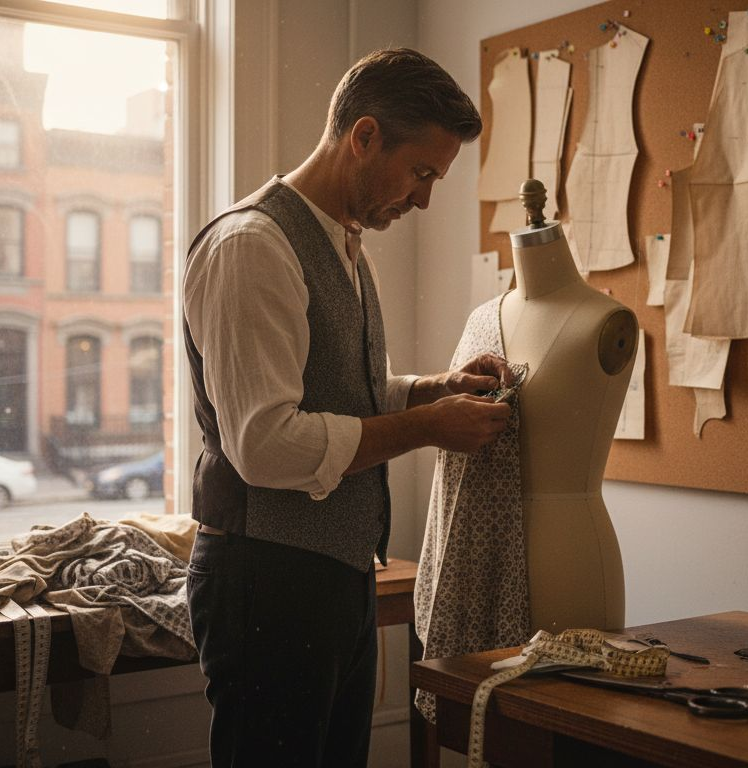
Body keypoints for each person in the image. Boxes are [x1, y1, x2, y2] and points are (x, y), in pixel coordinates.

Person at [182, 48, 512, 766]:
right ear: (363, 137)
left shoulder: (344, 245)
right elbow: (267, 443)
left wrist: (431, 390)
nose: (425, 198)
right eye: (421, 172)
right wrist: (426, 427)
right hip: (265, 582)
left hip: (334, 577)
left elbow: (342, 396)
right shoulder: (252, 247)